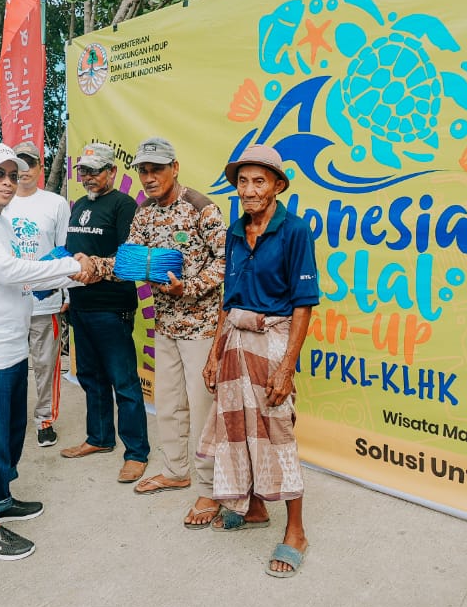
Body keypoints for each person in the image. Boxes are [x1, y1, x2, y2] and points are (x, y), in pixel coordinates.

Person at [0, 143, 91, 560]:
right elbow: (8, 271)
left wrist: (66, 275)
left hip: (9, 344)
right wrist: (68, 268)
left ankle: (1, 497)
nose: (8, 182)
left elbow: (17, 280)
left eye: (13, 174)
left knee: (9, 430)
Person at [87, 138, 226, 525]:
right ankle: (177, 471)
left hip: (201, 328)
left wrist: (191, 287)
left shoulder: (202, 208)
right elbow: (127, 260)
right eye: (143, 171)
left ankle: (209, 488)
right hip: (163, 325)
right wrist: (90, 266)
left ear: (175, 167)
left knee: (202, 411)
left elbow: (227, 261)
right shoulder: (145, 214)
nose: (148, 178)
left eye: (156, 169)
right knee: (168, 404)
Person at [198, 144, 318, 577]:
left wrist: (286, 367)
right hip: (233, 339)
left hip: (272, 341)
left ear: (278, 186)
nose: (249, 190)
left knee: (277, 431)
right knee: (235, 429)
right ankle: (252, 508)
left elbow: (303, 305)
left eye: (258, 181)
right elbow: (226, 302)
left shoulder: (295, 232)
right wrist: (214, 354)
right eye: (243, 182)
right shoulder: (234, 232)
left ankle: (297, 532)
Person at [60, 142, 150, 485]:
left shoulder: (125, 205)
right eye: (83, 171)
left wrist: (95, 269)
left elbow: (129, 260)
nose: (88, 177)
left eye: (96, 171)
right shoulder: (80, 205)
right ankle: (98, 438)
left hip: (112, 307)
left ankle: (136, 452)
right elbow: (72, 255)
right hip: (81, 306)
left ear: (112, 172)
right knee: (90, 378)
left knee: (124, 382)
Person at [4, 140, 71, 448]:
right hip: (8, 300)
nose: (24, 170)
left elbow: (62, 251)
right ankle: (9, 417)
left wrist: (65, 292)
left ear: (40, 167)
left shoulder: (55, 204)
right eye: (18, 164)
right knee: (8, 364)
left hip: (45, 300)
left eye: (30, 163)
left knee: (46, 363)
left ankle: (44, 418)